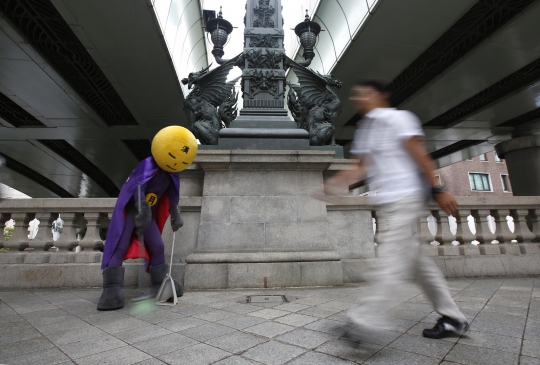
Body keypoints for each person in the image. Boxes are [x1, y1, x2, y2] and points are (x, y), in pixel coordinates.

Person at [319, 80, 469, 339]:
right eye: (357, 95)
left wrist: (438, 188)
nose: (359, 98)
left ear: (382, 95)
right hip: (388, 203)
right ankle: (453, 318)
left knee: (388, 260)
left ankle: (363, 322)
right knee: (417, 263)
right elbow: (361, 166)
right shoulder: (366, 128)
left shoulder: (399, 119)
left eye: (365, 93)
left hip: (407, 196)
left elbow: (419, 154)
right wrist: (332, 184)